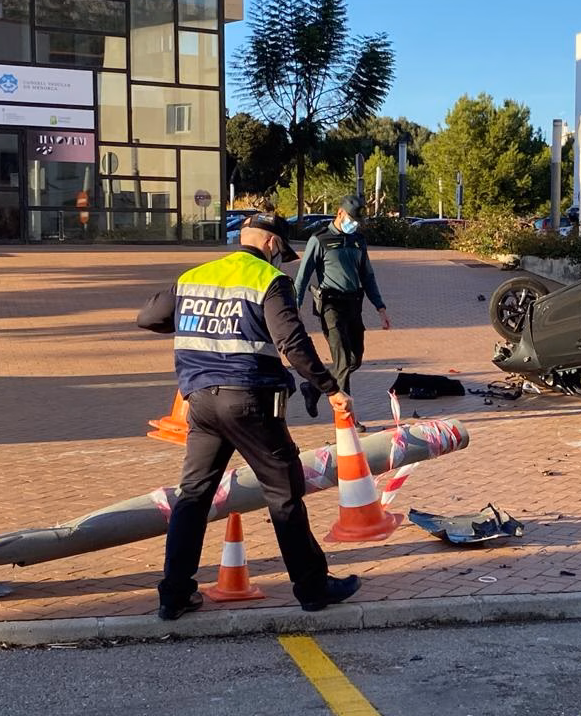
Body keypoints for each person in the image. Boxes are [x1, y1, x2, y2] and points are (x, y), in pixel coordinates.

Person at [137, 212, 361, 620]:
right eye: (281, 252)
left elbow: (148, 317)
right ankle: (312, 588)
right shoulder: (269, 280)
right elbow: (292, 343)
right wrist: (331, 389)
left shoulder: (195, 277)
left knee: (193, 496)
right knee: (284, 493)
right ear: (273, 244)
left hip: (201, 402)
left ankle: (174, 594)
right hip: (252, 402)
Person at [293, 195, 391, 432]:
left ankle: (313, 388)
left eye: (357, 222)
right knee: (344, 362)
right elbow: (303, 276)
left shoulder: (358, 241)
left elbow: (368, 276)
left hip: (353, 306)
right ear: (339, 213)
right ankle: (348, 419)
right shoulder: (319, 239)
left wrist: (380, 307)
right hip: (331, 307)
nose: (354, 224)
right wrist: (294, 307)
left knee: (355, 360)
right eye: (351, 219)